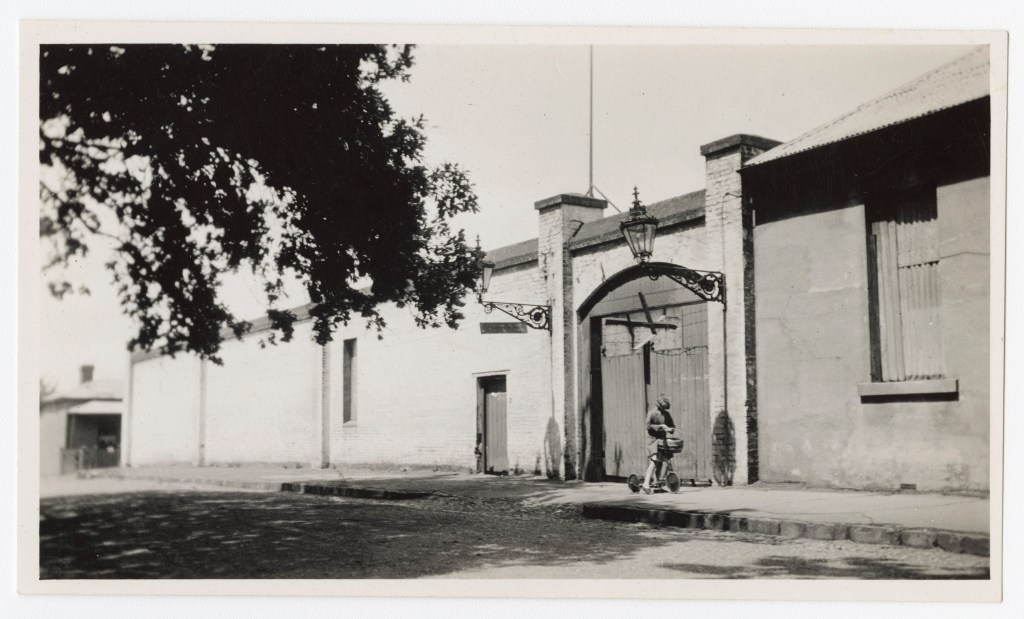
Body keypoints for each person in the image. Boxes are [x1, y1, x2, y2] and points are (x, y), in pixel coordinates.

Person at [642, 396, 675, 494]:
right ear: (658, 406)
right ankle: (645, 485)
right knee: (654, 460)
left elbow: (672, 426)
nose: (663, 410)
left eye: (665, 408)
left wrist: (670, 429)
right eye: (662, 408)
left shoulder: (667, 414)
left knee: (665, 460)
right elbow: (648, 426)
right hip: (652, 440)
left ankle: (660, 483)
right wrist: (660, 426)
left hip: (661, 440)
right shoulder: (651, 413)